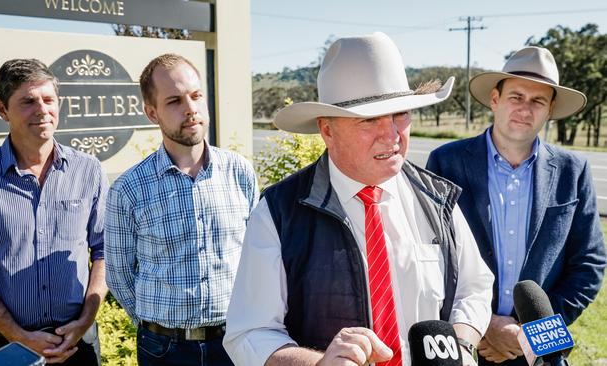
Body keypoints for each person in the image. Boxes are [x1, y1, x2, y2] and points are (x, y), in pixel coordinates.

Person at [223, 32, 493, 366]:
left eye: (401, 115)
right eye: (369, 120)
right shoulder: (279, 213)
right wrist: (319, 364)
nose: (392, 135)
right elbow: (249, 333)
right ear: (327, 129)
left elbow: (474, 286)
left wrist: (461, 346)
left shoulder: (436, 200)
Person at [426, 46, 606, 365]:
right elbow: (429, 256)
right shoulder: (445, 162)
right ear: (495, 100)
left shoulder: (572, 171)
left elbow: (589, 263)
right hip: (466, 345)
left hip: (537, 355)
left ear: (550, 109)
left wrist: (533, 335)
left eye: (538, 101)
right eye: (516, 96)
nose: (525, 109)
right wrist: (481, 325)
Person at [104, 53, 258, 366]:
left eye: (196, 96)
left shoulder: (240, 172)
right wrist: (158, 324)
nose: (190, 109)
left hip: (236, 342)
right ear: (152, 113)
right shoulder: (128, 189)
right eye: (174, 101)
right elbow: (119, 276)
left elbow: (258, 256)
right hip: (164, 350)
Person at [0, 59, 108, 364]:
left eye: (48, 99)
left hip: (77, 344)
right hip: (4, 346)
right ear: (2, 110)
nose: (42, 109)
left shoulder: (88, 170)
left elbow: (105, 251)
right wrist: (19, 336)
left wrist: (85, 322)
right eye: (27, 101)